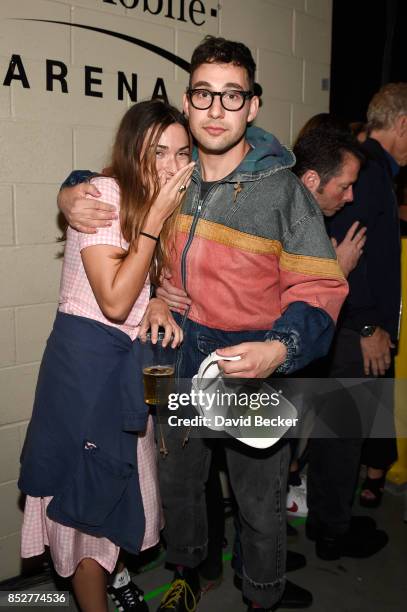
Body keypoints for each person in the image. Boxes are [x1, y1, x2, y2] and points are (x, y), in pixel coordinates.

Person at [57, 36, 349, 612]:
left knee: (258, 500)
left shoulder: (284, 192)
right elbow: (111, 181)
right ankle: (192, 573)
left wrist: (278, 347)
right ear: (187, 102)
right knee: (182, 486)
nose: (217, 109)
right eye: (205, 94)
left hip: (252, 367)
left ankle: (262, 594)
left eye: (232, 96)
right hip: (181, 359)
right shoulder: (172, 173)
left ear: (253, 106)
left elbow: (321, 287)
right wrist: (71, 192)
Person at [18, 100, 194, 612]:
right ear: (132, 149)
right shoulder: (107, 196)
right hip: (85, 382)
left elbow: (140, 284)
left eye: (182, 152)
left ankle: (110, 584)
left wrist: (159, 296)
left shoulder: (152, 205)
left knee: (111, 501)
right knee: (85, 511)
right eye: (158, 150)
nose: (171, 164)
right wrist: (155, 221)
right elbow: (115, 300)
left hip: (122, 380)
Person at [304, 82, 407, 560]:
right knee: (341, 437)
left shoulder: (371, 170)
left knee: (346, 433)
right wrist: (368, 327)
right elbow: (342, 257)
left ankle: (332, 521)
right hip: (354, 332)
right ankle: (331, 532)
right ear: (404, 124)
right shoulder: (362, 172)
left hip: (356, 329)